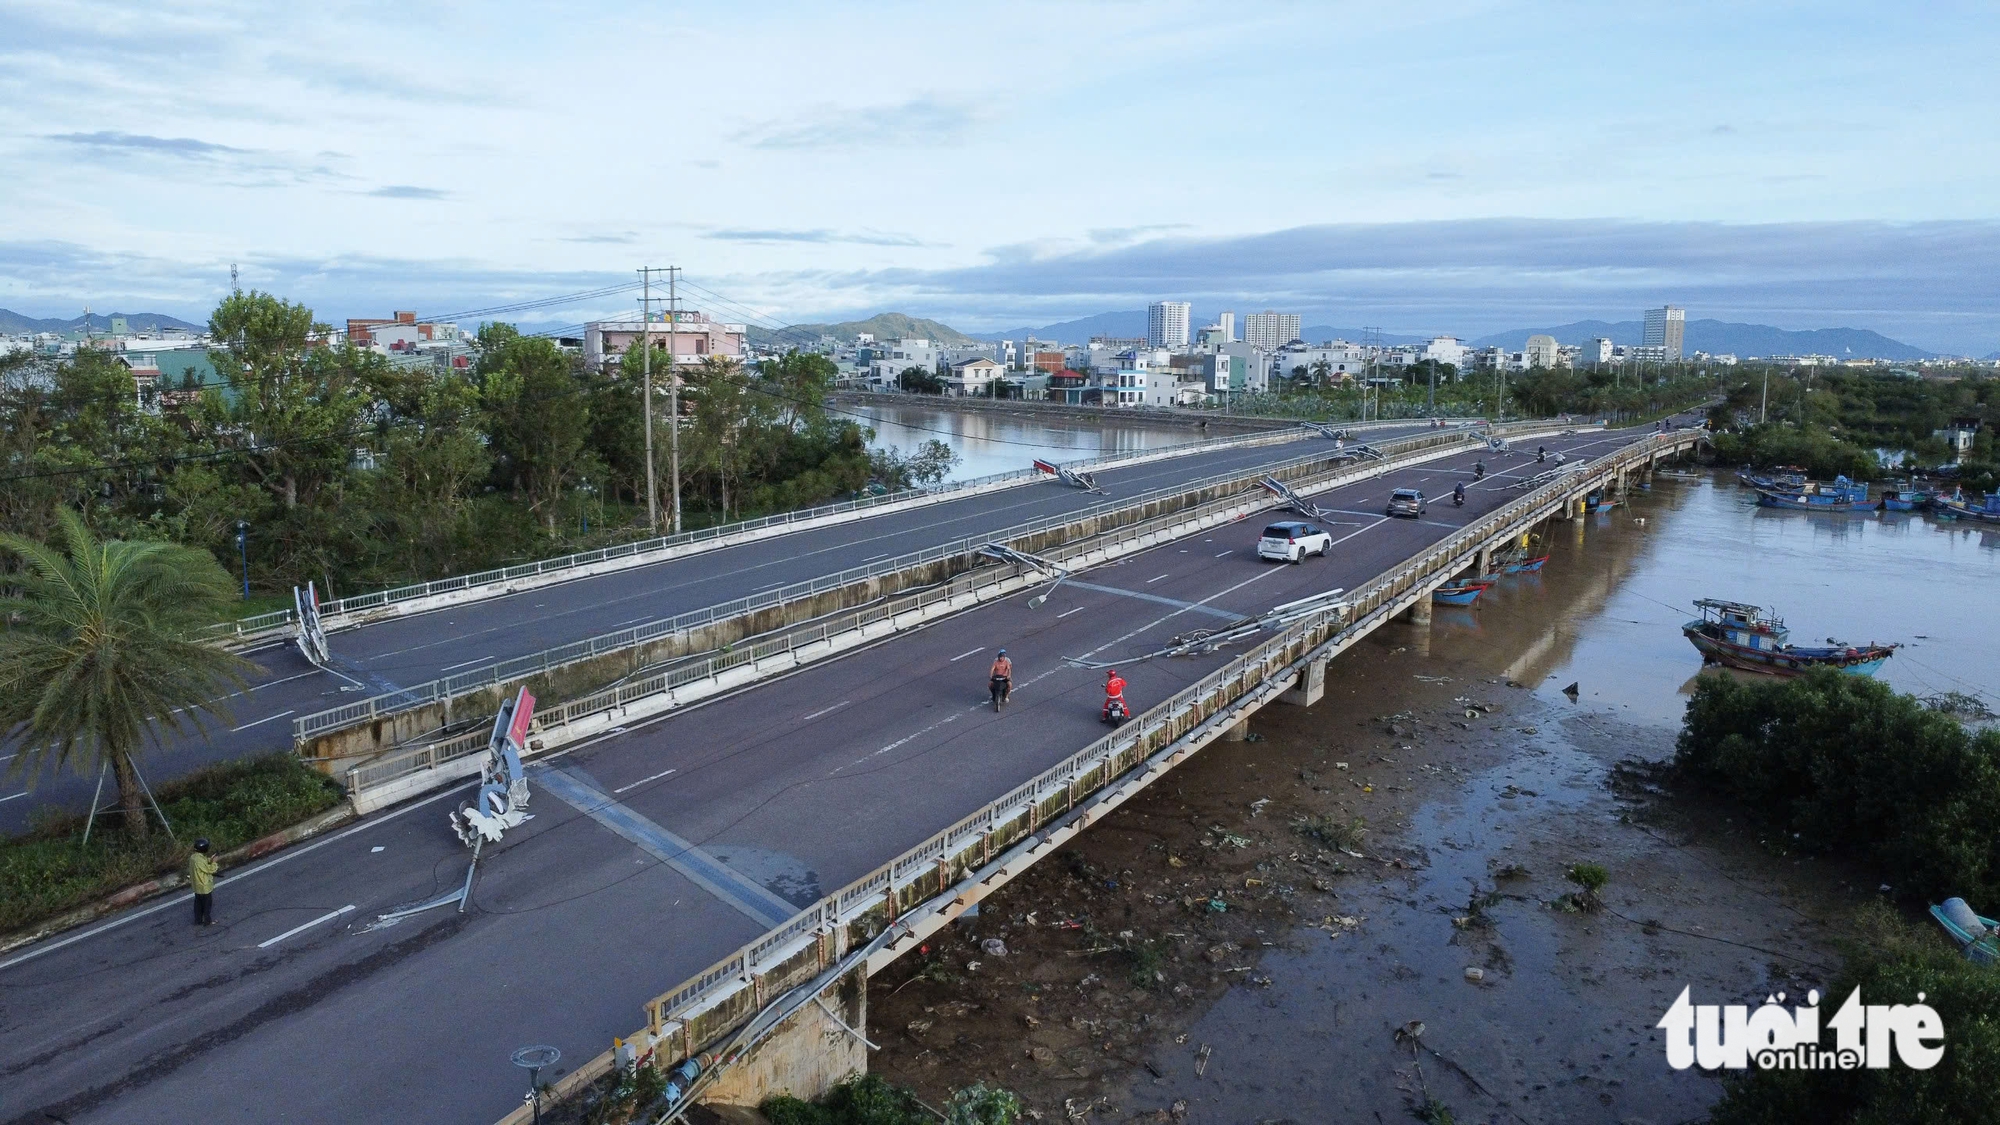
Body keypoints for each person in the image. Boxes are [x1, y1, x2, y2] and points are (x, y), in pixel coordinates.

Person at [189, 838, 218, 926]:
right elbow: (209, 869)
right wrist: (214, 863)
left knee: (198, 904)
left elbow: (203, 863)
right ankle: (207, 921)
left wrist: (210, 859)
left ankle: (198, 920)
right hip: (204, 886)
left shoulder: (193, 857)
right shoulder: (200, 860)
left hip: (197, 886)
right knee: (207, 905)